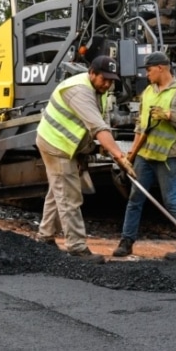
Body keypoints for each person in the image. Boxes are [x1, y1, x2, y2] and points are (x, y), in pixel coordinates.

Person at [36, 55, 137, 263]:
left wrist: (95, 148)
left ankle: (45, 236)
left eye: (111, 80)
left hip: (68, 145)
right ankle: (76, 247)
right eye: (104, 79)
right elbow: (98, 127)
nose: (108, 84)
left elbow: (101, 121)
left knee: (57, 192)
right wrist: (119, 156)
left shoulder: (97, 90)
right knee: (69, 196)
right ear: (91, 73)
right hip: (56, 144)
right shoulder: (79, 91)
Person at [112, 51, 176, 260]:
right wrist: (131, 156)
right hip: (145, 154)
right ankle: (126, 242)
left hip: (168, 155)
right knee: (135, 198)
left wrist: (170, 115)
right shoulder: (147, 93)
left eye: (149, 70)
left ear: (161, 68)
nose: (147, 74)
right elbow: (140, 127)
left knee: (171, 200)